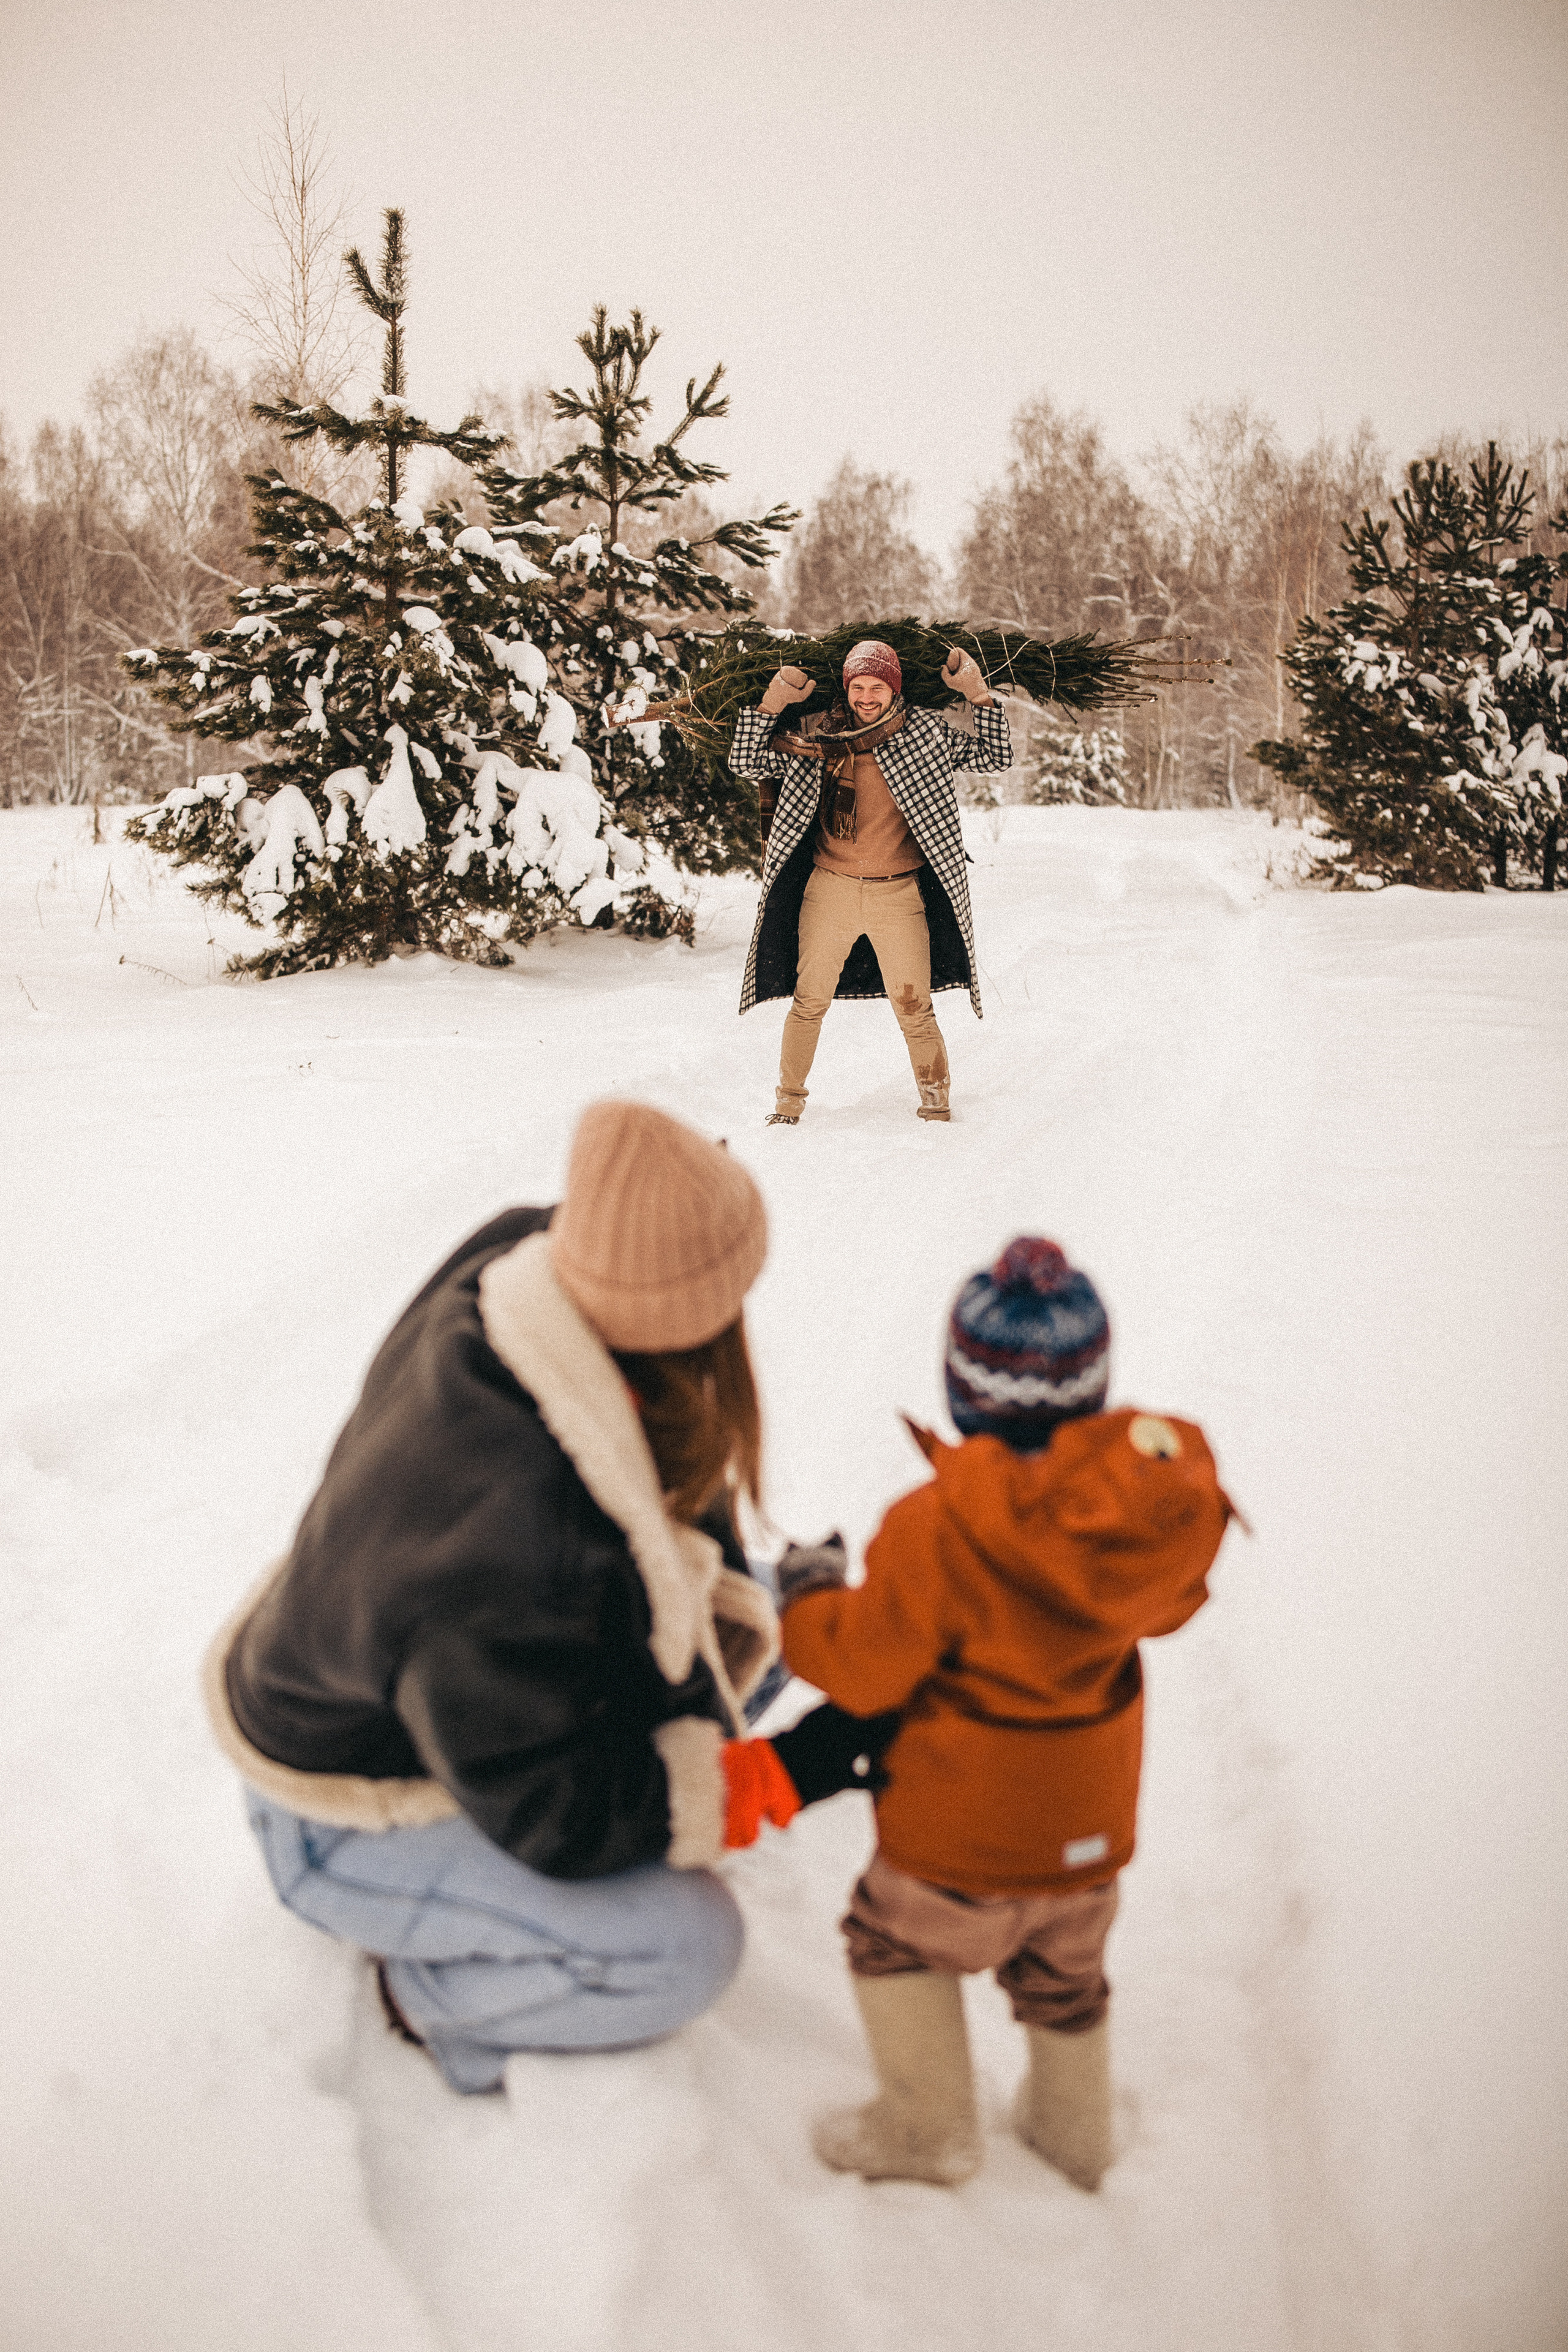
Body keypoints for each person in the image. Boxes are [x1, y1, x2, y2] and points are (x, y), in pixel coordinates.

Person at [205, 1099, 892, 2094]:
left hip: (447, 1694)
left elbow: (665, 1522)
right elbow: (561, 1816)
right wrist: (781, 1776)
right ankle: (434, 2003)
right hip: (353, 1811)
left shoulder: (531, 1256)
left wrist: (785, 1613)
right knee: (685, 1947)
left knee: (755, 1619)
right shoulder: (515, 1540)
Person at [776, 1238, 1238, 2188]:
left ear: (963, 1395)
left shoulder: (941, 1525)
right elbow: (1179, 1603)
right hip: (1090, 1837)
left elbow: (864, 1670)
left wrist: (808, 1601)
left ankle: (926, 2130)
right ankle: (1077, 2137)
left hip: (957, 1844)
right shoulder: (1138, 1525)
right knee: (1066, 1985)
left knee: (892, 1946)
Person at [729, 638, 1012, 1127]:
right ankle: (787, 1107)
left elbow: (997, 757)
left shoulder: (924, 732)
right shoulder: (816, 735)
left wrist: (977, 694)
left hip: (899, 894)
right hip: (829, 889)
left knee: (914, 1006)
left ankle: (937, 1106)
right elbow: (746, 762)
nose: (866, 697)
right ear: (846, 688)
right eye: (857, 686)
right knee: (808, 1001)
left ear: (893, 688)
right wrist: (773, 703)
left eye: (877, 686)